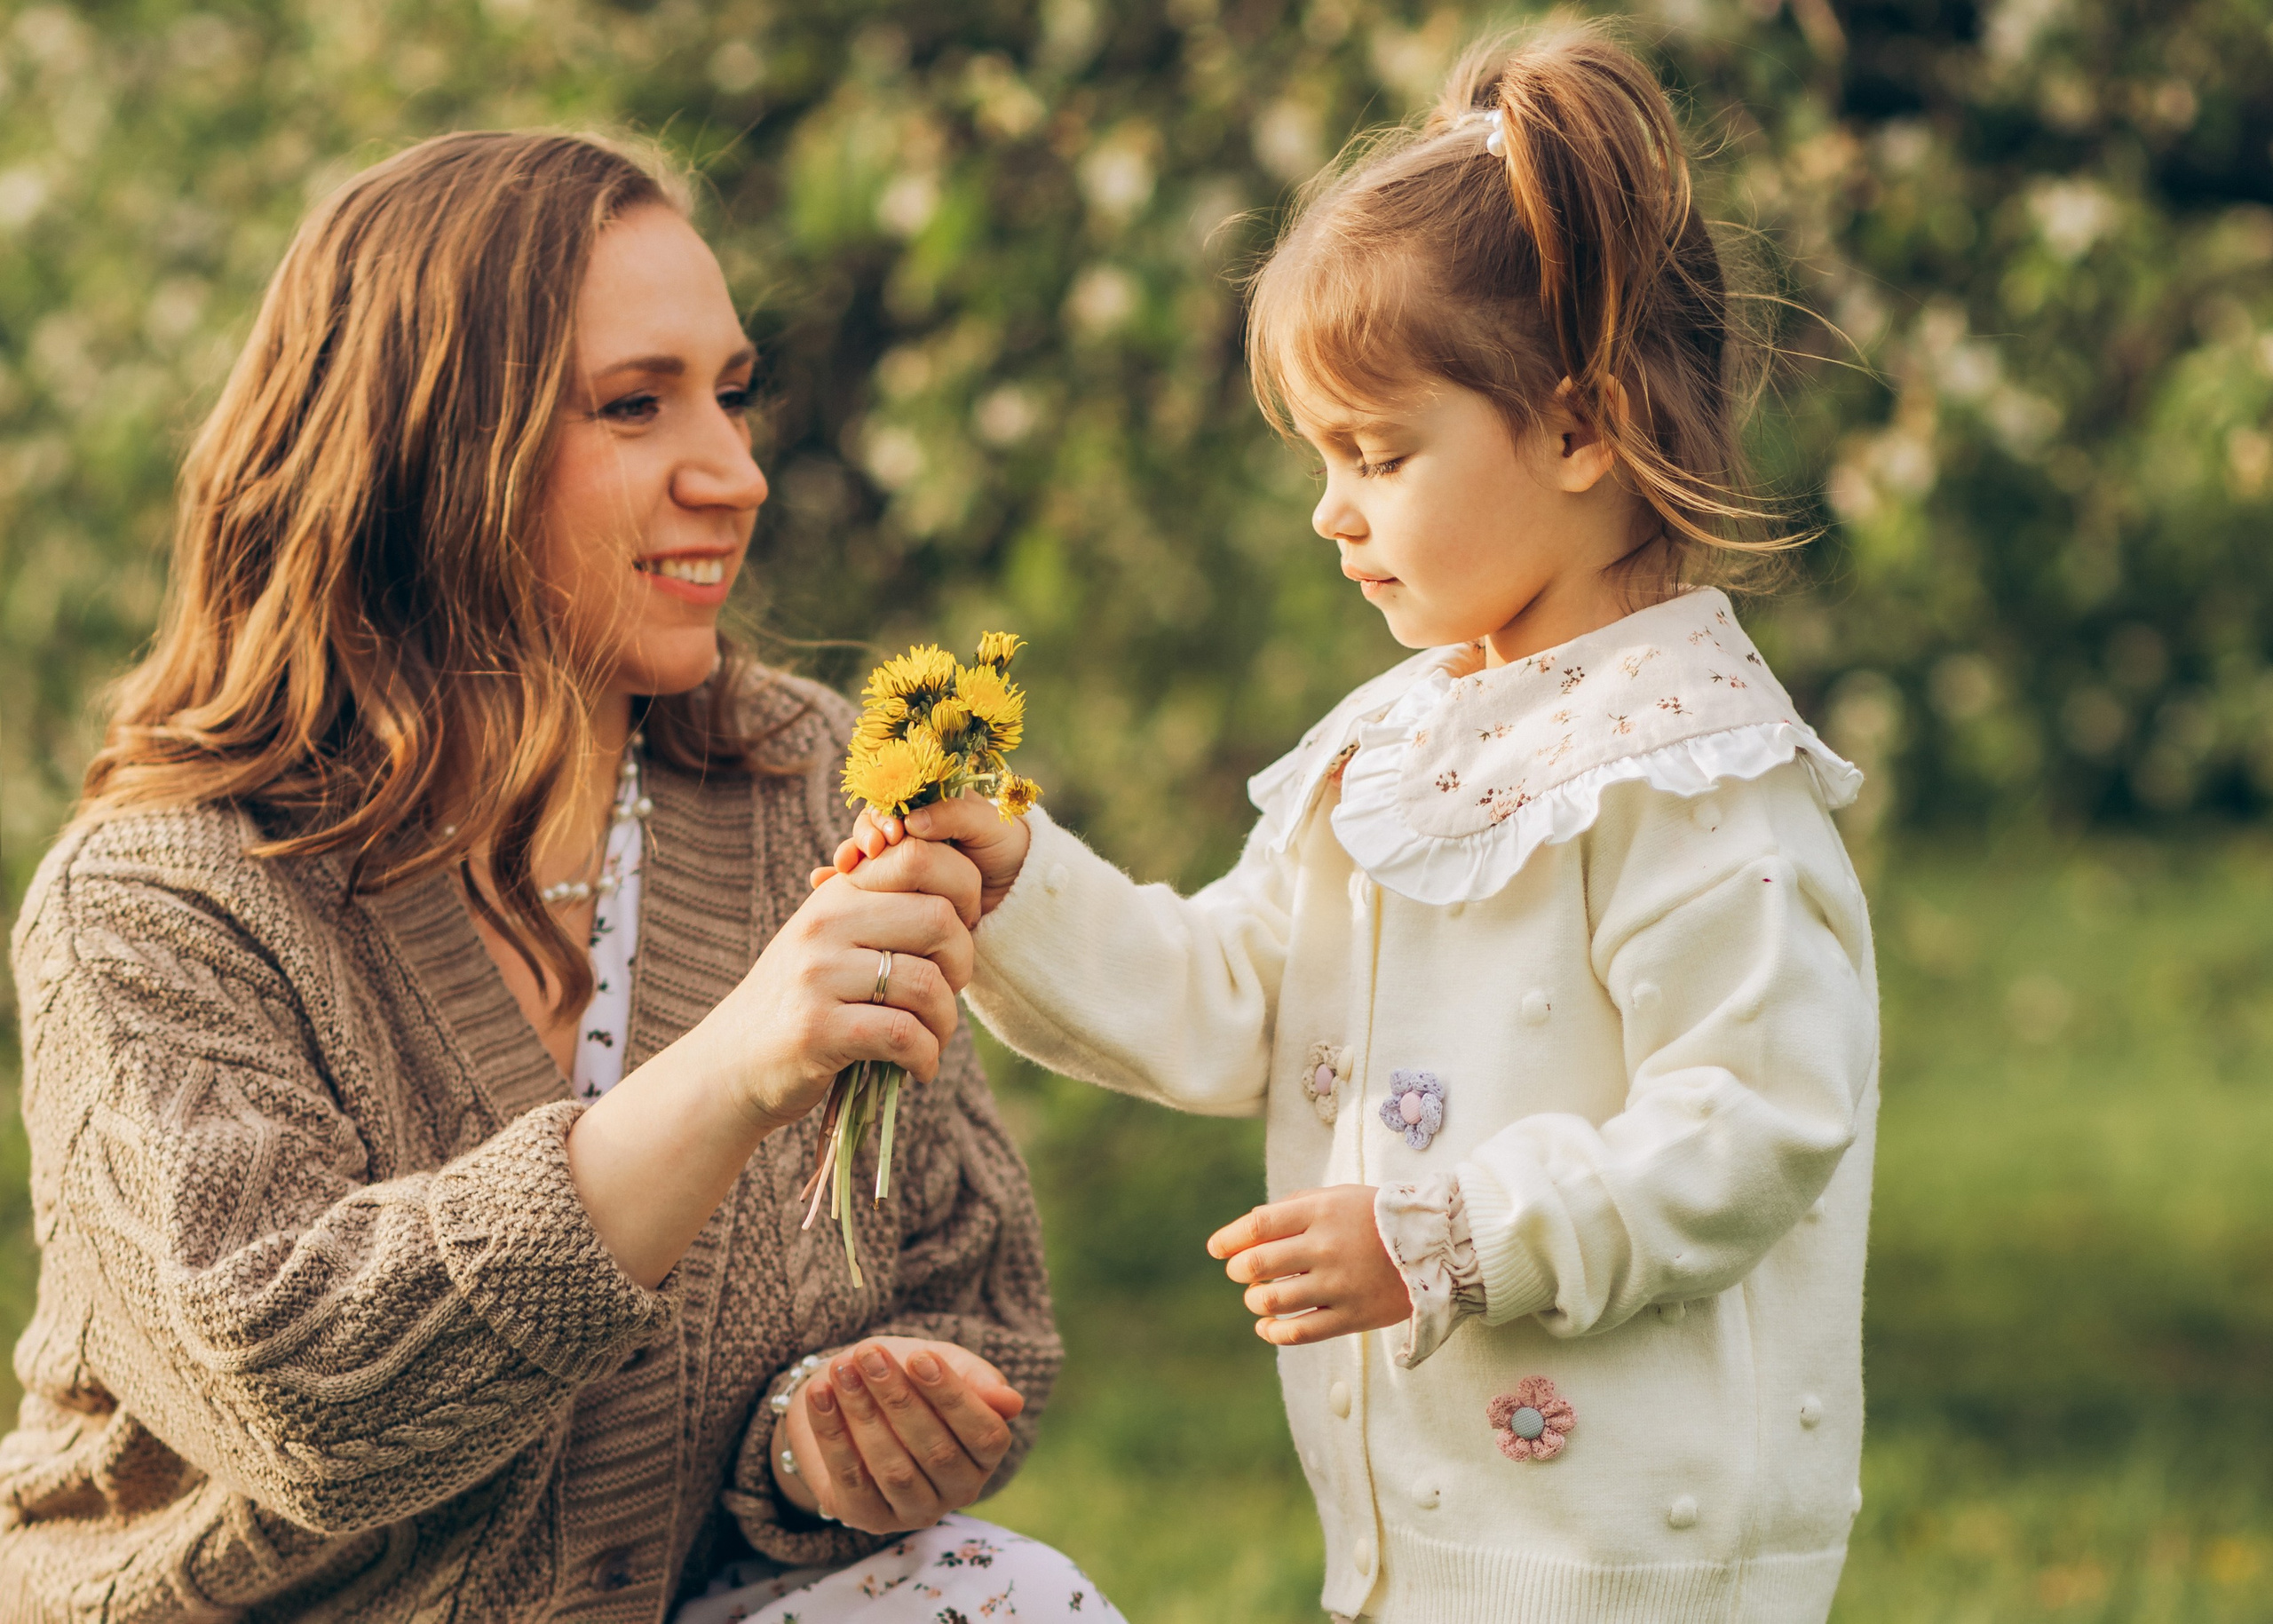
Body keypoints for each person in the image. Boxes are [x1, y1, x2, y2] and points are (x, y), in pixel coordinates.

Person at [830, 25, 1879, 1624]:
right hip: (1422, 1557)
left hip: (1638, 1565)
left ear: (1581, 430)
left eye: (1379, 455)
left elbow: (1753, 1119)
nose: (1332, 509)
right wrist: (1013, 879)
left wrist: (1449, 1238)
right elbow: (1228, 999)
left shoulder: (1692, 771)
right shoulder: (1390, 747)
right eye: (1324, 458)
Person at [3, 131, 1118, 1624]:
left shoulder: (800, 784)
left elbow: (972, 1292)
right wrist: (731, 1067)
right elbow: (301, 1399)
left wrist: (813, 1448)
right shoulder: (157, 903)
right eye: (636, 404)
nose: (736, 474)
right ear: (423, 452)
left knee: (1001, 1595)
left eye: (731, 394)